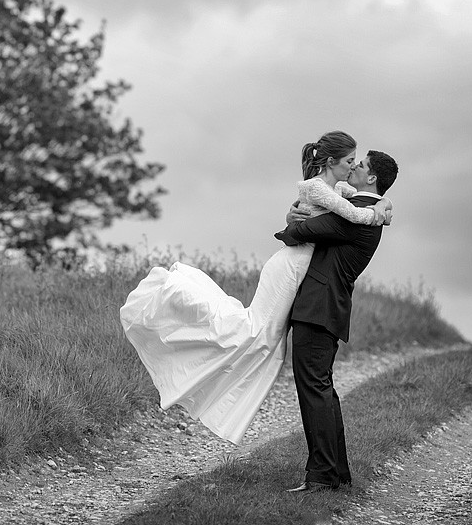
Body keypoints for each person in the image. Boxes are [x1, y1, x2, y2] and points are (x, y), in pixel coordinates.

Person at [119, 131, 392, 444]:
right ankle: (179, 300)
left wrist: (381, 200)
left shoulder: (336, 187)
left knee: (262, 339)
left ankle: (211, 377)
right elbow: (349, 215)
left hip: (298, 263)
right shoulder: (321, 188)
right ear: (331, 162)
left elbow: (339, 207)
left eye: (357, 163)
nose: (353, 166)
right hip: (289, 265)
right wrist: (378, 212)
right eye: (348, 161)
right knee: (254, 334)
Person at [277, 149, 399, 493]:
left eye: (360, 165)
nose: (353, 166)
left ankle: (321, 477)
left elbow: (299, 232)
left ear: (372, 178)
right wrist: (295, 215)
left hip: (318, 309)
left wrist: (291, 221)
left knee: (314, 391)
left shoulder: (356, 214)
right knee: (323, 391)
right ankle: (336, 473)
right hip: (327, 309)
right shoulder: (369, 210)